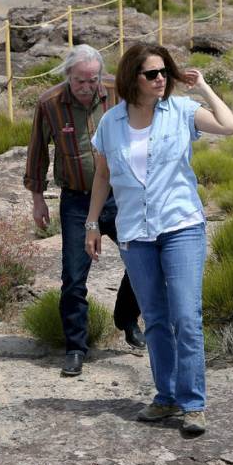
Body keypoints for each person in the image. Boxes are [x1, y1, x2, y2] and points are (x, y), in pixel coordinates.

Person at [85, 42, 233, 435]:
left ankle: (193, 404)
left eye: (164, 73)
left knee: (186, 316)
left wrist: (203, 86)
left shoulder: (182, 112)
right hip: (135, 232)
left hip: (181, 226)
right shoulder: (111, 123)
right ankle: (166, 396)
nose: (160, 80)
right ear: (131, 78)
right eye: (151, 74)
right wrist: (91, 223)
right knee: (154, 318)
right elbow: (103, 177)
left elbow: (230, 125)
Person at [24, 44, 144, 378]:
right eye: (79, 81)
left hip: (119, 196)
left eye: (92, 80)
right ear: (67, 76)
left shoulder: (117, 92)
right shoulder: (49, 104)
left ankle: (126, 318)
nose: (87, 87)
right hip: (76, 201)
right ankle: (76, 347)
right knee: (74, 279)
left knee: (142, 260)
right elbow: (37, 153)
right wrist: (37, 199)